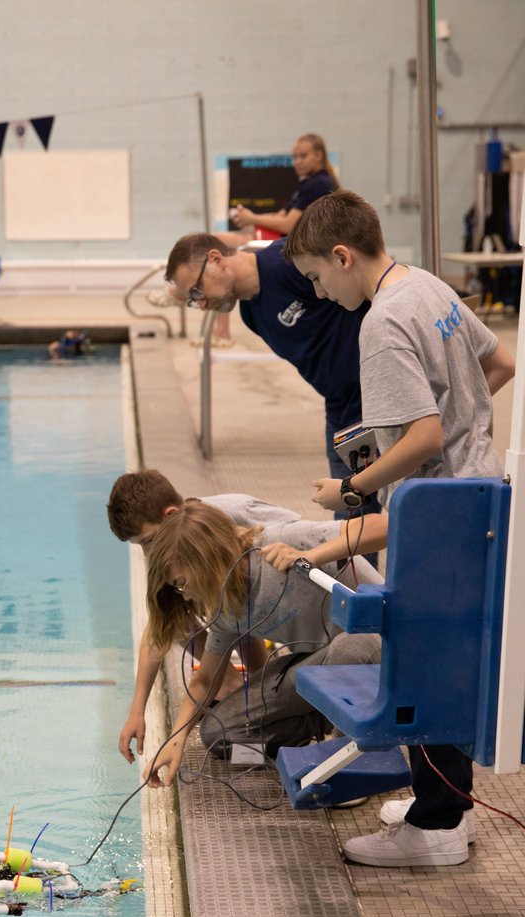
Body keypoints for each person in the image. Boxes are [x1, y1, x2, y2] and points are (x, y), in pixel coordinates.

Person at [283, 188, 516, 867]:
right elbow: (498, 366)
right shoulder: (429, 288)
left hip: (439, 516)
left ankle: (437, 828)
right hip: (483, 497)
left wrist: (352, 484)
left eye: (319, 278)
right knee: (448, 659)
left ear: (343, 255)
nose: (321, 293)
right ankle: (445, 807)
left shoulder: (381, 323)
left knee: (423, 662)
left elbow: (420, 436)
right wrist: (463, 417)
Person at [140, 501, 382, 789]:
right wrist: (175, 741)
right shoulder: (225, 608)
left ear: (204, 563)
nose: (186, 595)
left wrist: (310, 556)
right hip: (318, 666)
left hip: (379, 652)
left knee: (350, 646)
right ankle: (301, 747)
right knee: (218, 735)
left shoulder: (281, 544)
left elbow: (382, 526)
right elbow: (205, 680)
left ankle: (349, 762)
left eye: (181, 583)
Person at [164, 232, 380, 509]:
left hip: (379, 397)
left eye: (197, 291)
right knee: (353, 525)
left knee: (412, 504)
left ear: (216, 259)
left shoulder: (289, 261)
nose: (201, 304)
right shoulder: (250, 313)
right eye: (193, 300)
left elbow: (368, 279)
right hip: (343, 411)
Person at [107, 469, 303, 763]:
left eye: (147, 541)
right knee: (218, 740)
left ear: (171, 514)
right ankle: (260, 718)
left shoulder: (238, 520)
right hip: (247, 613)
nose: (148, 553)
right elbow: (159, 629)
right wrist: (138, 712)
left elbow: (310, 546)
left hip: (308, 630)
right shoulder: (175, 552)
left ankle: (284, 712)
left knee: (237, 602)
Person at [231, 133, 338, 238]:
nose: (297, 162)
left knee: (246, 237)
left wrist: (252, 218)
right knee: (248, 233)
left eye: (303, 156)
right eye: (295, 157)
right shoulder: (308, 183)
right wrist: (249, 217)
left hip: (315, 245)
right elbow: (280, 216)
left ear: (319, 155)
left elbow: (288, 225)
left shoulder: (318, 183)